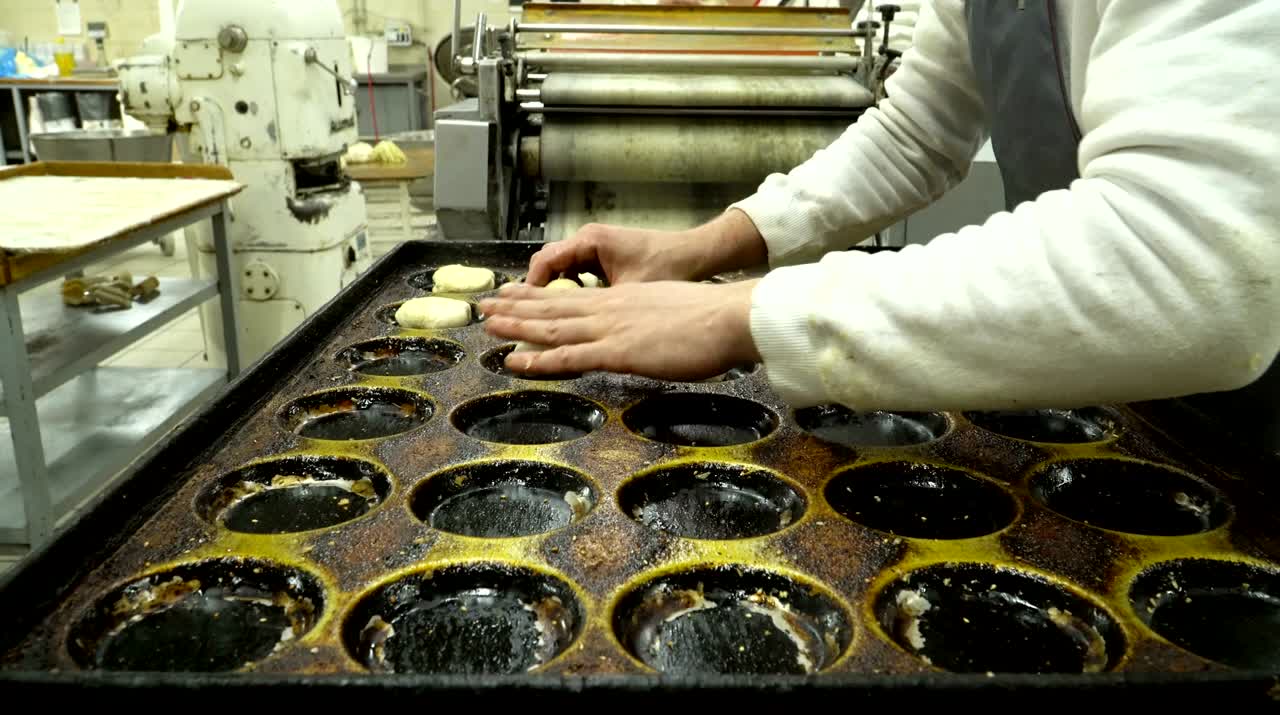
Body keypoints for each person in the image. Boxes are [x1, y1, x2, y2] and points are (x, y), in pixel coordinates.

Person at [478, 0, 1280, 450]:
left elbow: (1193, 258)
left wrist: (744, 313)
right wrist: (699, 248)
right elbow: (918, 132)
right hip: (1121, 387)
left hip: (1257, 418)